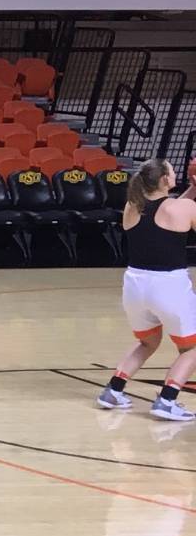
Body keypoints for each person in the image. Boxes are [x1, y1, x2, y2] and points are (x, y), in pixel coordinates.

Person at [98, 157, 196, 422]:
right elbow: (179, 211)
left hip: (135, 285)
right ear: (165, 179)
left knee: (147, 342)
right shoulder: (183, 207)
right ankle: (166, 400)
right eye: (173, 172)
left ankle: (113, 391)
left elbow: (167, 209)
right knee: (192, 348)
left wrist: (193, 189)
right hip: (168, 286)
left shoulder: (132, 206)